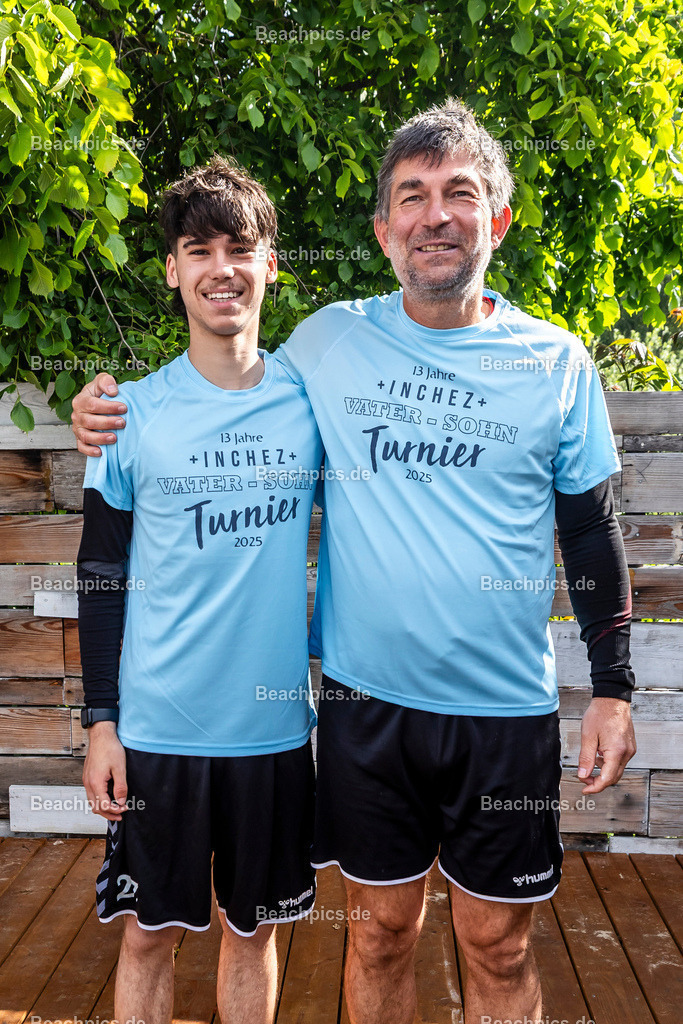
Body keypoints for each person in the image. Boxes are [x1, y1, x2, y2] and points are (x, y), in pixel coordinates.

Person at [72, 101, 637, 1024]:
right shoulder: (328, 343)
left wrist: (612, 687)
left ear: (495, 219)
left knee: (497, 944)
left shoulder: (555, 362)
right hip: (364, 709)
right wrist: (100, 400)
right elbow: (214, 379)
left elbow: (590, 530)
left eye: (459, 193)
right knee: (377, 932)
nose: (434, 215)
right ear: (383, 231)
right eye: (410, 196)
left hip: (502, 715)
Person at [76, 156, 323, 1024]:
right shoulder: (128, 415)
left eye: (240, 247)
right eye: (199, 248)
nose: (222, 267)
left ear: (269, 265)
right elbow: (99, 578)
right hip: (157, 732)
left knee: (252, 932)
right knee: (147, 933)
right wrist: (100, 723)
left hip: (271, 730)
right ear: (174, 270)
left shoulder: (311, 398)